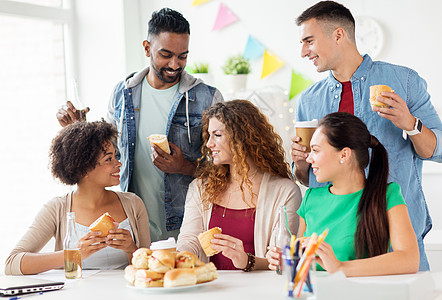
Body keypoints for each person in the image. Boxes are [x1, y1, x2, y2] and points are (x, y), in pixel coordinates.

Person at [291, 0, 442, 271]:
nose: (303, 52)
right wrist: (301, 162)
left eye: (309, 41)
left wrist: (409, 123)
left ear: (339, 35)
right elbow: (311, 178)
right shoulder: (308, 101)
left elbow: (437, 150)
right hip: (335, 246)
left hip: (398, 240)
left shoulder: (404, 81)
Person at [56, 8, 224, 242]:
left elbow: (228, 167)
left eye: (183, 56)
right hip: (134, 227)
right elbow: (107, 150)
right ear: (147, 48)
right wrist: (77, 128)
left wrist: (184, 166)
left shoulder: (208, 98)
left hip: (190, 228)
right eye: (166, 55)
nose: (175, 64)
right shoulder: (123, 93)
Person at [268, 112, 419, 276]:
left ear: (344, 154)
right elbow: (307, 264)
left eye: (316, 150)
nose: (309, 159)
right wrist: (289, 260)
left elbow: (409, 259)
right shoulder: (310, 199)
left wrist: (340, 268)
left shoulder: (387, 196)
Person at [5, 121, 150, 275]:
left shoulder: (133, 204)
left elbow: (150, 268)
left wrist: (131, 250)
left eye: (116, 156)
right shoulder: (56, 208)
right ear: (84, 168)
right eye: (109, 159)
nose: (119, 163)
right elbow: (12, 263)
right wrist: (74, 254)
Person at [177, 100, 302, 271]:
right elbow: (189, 240)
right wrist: (179, 257)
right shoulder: (200, 187)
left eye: (217, 135)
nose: (208, 144)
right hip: (210, 289)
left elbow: (279, 259)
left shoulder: (285, 191)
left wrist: (246, 261)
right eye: (209, 135)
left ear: (242, 137)